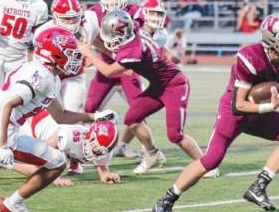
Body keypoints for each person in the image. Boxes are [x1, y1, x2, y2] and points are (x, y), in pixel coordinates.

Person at [151, 14, 279, 212]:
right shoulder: (251, 57)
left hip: (261, 109)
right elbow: (238, 104)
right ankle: (166, 200)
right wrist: (267, 107)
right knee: (212, 159)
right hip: (234, 112)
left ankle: (258, 187)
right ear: (272, 39)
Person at [0, 28, 117, 212]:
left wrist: (95, 116)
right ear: (54, 54)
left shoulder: (49, 76)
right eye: (70, 53)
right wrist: (4, 144)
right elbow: (8, 104)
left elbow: (61, 116)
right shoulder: (40, 75)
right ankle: (14, 203)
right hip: (1, 131)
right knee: (58, 162)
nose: (75, 57)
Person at [80, 10, 220, 178]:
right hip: (158, 85)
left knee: (175, 135)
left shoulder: (133, 49)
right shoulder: (134, 29)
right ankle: (153, 153)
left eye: (113, 36)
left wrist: (89, 53)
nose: (110, 40)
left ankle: (207, 165)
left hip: (175, 85)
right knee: (132, 119)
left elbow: (109, 71)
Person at [83, 0, 166, 174]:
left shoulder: (134, 11)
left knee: (138, 111)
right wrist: (110, 53)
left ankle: (150, 152)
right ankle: (85, 150)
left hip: (128, 69)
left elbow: (139, 37)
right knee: (89, 109)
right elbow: (92, 37)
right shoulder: (94, 12)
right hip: (107, 67)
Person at [16, 110, 120, 186]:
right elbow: (39, 153)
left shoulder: (104, 148)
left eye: (99, 151)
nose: (95, 152)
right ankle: (7, 162)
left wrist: (106, 173)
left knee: (59, 161)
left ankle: (73, 161)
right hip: (38, 122)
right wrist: (54, 178)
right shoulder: (69, 136)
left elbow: (103, 169)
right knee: (36, 167)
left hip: (58, 135)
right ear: (89, 135)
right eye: (94, 146)